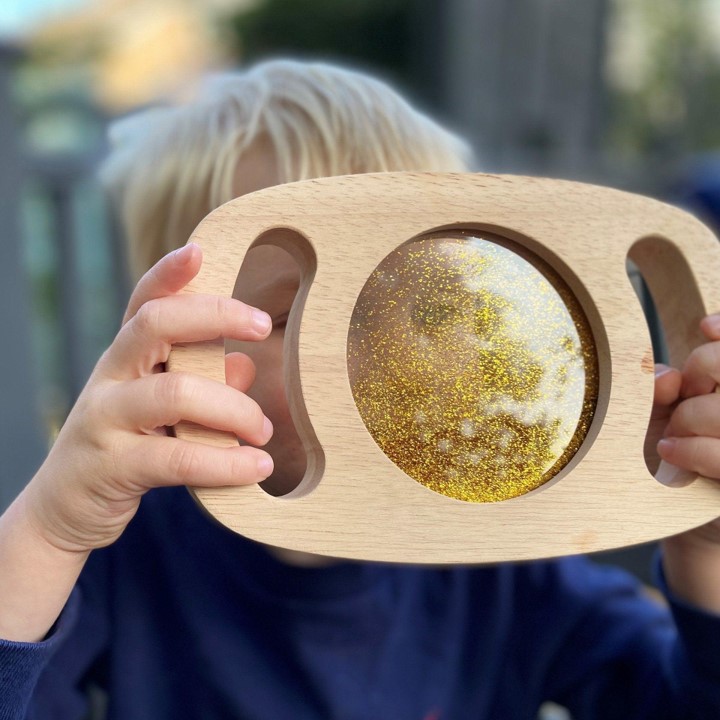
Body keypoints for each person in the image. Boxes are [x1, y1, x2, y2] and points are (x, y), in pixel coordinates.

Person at [1, 58, 719, 720]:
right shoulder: (129, 554)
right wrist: (51, 533)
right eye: (298, 317)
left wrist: (707, 550)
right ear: (176, 358)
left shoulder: (502, 560)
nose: (393, 359)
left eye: (427, 311)